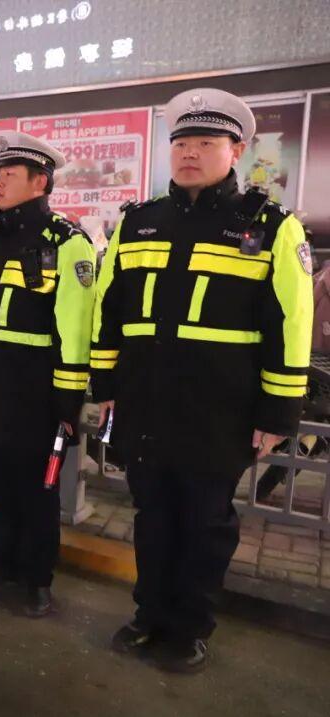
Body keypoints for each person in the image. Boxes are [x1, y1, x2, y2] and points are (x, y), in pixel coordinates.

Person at [93, 89, 313, 673]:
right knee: (152, 517)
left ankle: (188, 627)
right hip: (145, 403)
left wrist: (278, 413)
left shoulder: (270, 227)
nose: (189, 153)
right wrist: (104, 384)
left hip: (220, 411)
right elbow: (109, 310)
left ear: (236, 150)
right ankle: (149, 615)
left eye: (206, 143)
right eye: (182, 143)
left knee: (205, 524)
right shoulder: (139, 222)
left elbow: (290, 324)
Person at [0, 132, 97, 617]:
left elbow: (75, 328)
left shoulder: (67, 243)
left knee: (38, 492)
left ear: (40, 182)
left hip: (37, 393)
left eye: (9, 175)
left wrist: (68, 399)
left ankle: (36, 579)